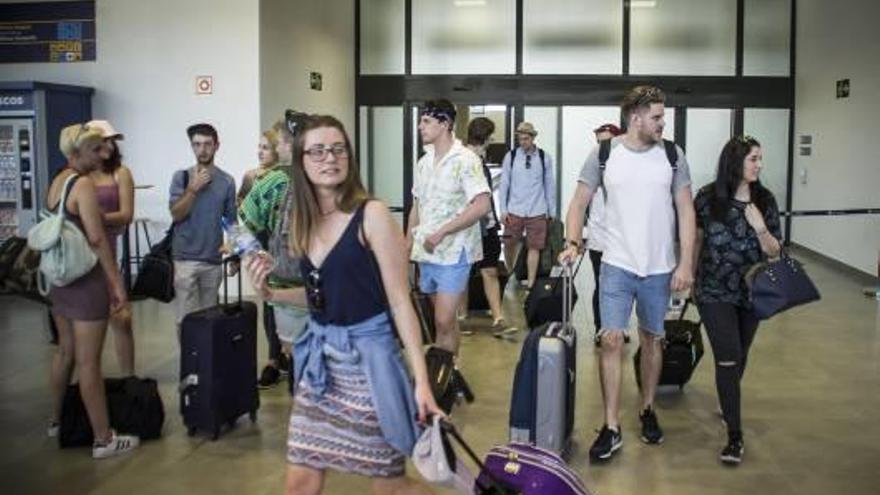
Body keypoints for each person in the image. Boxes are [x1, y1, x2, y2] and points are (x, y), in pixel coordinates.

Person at [245, 114, 443, 495]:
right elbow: (324, 294)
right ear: (301, 160)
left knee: (389, 486)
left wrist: (421, 382)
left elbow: (401, 302)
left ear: (349, 157)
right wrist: (272, 295)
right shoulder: (304, 219)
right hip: (320, 365)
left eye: (338, 149)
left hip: (368, 363)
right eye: (317, 150)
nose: (329, 158)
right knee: (300, 480)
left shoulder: (372, 214)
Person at [559, 86, 696, 461]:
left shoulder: (672, 155)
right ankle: (611, 425)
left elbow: (686, 210)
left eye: (662, 117)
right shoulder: (604, 154)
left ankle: (647, 408)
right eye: (656, 117)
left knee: (653, 340)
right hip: (616, 264)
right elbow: (578, 202)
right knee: (612, 341)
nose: (662, 123)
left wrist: (685, 264)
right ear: (634, 118)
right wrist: (573, 241)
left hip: (659, 267)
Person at [47, 123, 139, 458]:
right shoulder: (82, 184)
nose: (103, 153)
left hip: (60, 280)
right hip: (87, 279)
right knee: (89, 363)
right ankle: (103, 438)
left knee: (65, 353)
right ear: (76, 152)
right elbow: (98, 239)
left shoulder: (58, 180)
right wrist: (116, 286)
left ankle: (56, 420)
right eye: (95, 149)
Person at [693, 136, 782, 465]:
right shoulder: (707, 198)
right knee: (728, 355)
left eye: (760, 158)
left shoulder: (765, 200)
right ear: (735, 163)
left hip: (753, 291)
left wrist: (760, 228)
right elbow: (696, 239)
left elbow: (776, 251)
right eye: (753, 159)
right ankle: (735, 435)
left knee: (741, 352)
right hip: (714, 290)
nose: (759, 164)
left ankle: (727, 397)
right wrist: (686, 275)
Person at [408, 99, 491, 355]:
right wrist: (406, 243)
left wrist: (443, 231)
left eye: (426, 121)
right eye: (421, 120)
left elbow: (482, 205)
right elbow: (417, 205)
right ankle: (449, 373)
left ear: (445, 124)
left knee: (443, 320)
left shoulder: (465, 159)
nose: (420, 126)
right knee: (442, 322)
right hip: (427, 251)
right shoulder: (424, 162)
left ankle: (441, 382)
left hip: (455, 251)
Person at [239, 116, 309, 388]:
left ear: (289, 145)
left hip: (285, 286)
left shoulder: (273, 180)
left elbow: (243, 222)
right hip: (318, 287)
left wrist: (249, 254)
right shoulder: (321, 179)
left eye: (278, 143)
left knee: (295, 356)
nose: (276, 149)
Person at [168, 123, 237, 333]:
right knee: (185, 319)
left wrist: (236, 253)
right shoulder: (182, 177)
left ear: (217, 146)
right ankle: (188, 363)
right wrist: (193, 189)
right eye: (197, 144)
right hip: (185, 258)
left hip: (212, 259)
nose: (202, 149)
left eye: (207, 144)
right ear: (192, 147)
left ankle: (208, 364)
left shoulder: (226, 181)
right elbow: (176, 214)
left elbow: (231, 221)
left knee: (210, 319)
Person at [87, 119, 136, 375]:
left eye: (111, 140)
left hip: (108, 250)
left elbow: (126, 214)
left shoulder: (121, 173)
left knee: (121, 318)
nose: (109, 145)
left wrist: (92, 217)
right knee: (85, 330)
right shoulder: (78, 175)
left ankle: (129, 379)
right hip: (79, 256)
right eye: (103, 140)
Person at [463, 117, 510, 335]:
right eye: (490, 135)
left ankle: (498, 318)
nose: (492, 139)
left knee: (489, 269)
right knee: (463, 272)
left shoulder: (480, 159)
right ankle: (461, 317)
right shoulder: (464, 160)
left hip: (487, 224)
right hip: (470, 225)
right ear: (484, 135)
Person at [499, 121, 556, 290]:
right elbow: (504, 184)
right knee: (509, 243)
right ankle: (511, 273)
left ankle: (531, 283)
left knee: (535, 246)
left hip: (537, 209)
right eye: (520, 139)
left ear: (533, 138)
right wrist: (503, 209)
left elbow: (549, 185)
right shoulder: (511, 156)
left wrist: (551, 210)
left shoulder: (544, 157)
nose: (523, 142)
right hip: (514, 209)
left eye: (526, 139)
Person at [585, 123, 627, 347]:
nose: (602, 147)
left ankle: (620, 327)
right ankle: (600, 327)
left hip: (623, 240)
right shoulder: (594, 166)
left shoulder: (627, 167)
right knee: (601, 284)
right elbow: (582, 202)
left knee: (622, 286)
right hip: (598, 238)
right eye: (599, 142)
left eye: (606, 141)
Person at [237, 129, 279, 205]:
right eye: (259, 147)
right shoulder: (250, 176)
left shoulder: (283, 177)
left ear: (276, 151)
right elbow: (240, 204)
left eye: (265, 148)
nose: (260, 152)